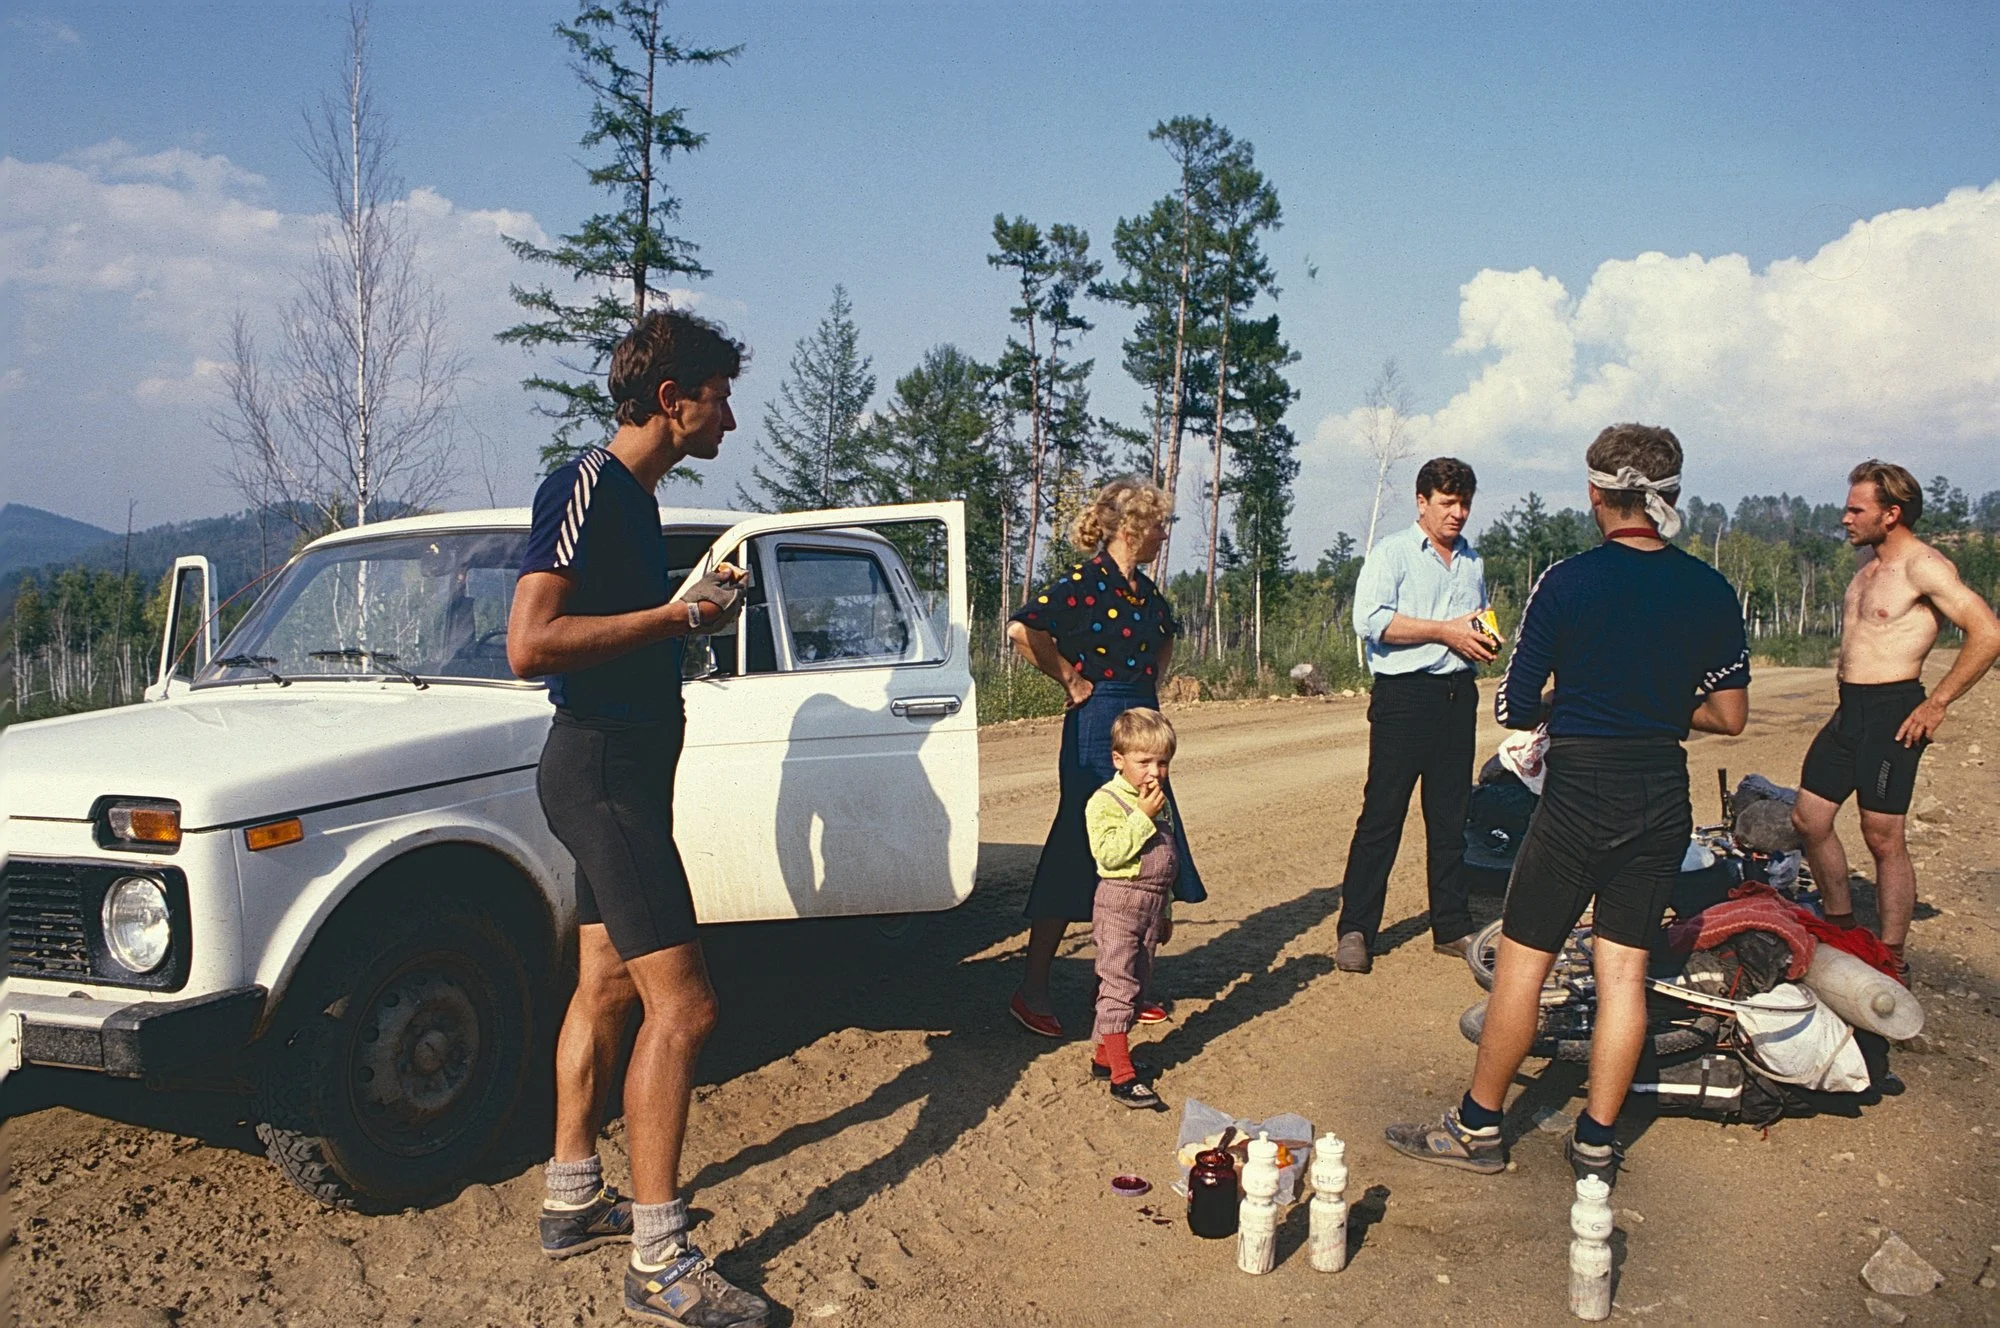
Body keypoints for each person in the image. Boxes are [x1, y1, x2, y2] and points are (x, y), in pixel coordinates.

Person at [1385, 423, 1749, 1188]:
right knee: (1624, 971)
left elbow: (1517, 706)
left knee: (1524, 960)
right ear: (1669, 497)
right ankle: (1595, 1141)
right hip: (1660, 790)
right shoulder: (1708, 587)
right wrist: (1654, 705)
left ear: (1595, 494)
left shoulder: (1569, 580)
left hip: (1581, 787)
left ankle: (1478, 1127)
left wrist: (1575, 697)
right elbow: (1729, 716)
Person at [508, 310, 770, 1328]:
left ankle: (574, 1195)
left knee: (606, 982)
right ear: (673, 400)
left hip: (615, 772)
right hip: (601, 778)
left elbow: (608, 634)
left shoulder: (634, 501)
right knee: (688, 1006)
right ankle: (660, 1261)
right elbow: (530, 642)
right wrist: (675, 616)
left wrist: (687, 615)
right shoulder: (586, 483)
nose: (730, 419)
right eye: (718, 398)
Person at [1006, 478, 1206, 1037]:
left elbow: (1166, 635)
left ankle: (1125, 983)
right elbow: (1024, 629)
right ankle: (1033, 989)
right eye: (1159, 525)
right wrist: (1070, 679)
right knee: (1079, 846)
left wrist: (1152, 686)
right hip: (1095, 727)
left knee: (1148, 843)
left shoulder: (1144, 591)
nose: (1165, 535)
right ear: (1131, 526)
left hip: (1142, 719)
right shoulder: (1083, 584)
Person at [1791, 460, 2000, 983]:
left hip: (1894, 711)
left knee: (1882, 835)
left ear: (1891, 514)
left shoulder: (1922, 566)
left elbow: (1988, 633)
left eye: (1855, 509)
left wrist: (1938, 703)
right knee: (1810, 819)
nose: (1845, 518)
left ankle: (1891, 955)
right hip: (1850, 710)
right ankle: (1841, 926)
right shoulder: (1866, 571)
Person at [1335, 457, 1492, 974]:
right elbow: (1371, 621)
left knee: (1450, 818)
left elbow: (1474, 619)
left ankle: (1451, 925)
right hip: (1404, 699)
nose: (1458, 513)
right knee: (1382, 816)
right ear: (1422, 502)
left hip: (1457, 696)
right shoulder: (1393, 553)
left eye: (1464, 502)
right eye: (1448, 502)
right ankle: (1356, 930)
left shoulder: (1472, 561)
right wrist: (1445, 632)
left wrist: (1481, 638)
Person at [1085, 708, 1184, 1109]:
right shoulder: (1105, 802)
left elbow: (1168, 859)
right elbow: (1109, 855)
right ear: (1118, 760)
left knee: (1139, 982)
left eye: (1162, 762)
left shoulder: (1160, 800)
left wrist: (1167, 912)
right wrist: (1142, 817)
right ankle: (1123, 1077)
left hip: (1150, 906)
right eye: (1144, 762)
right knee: (1118, 984)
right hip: (1118, 905)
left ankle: (1105, 1056)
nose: (1155, 771)